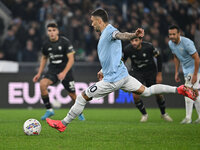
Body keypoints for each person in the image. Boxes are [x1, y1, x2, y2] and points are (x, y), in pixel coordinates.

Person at [46, 9, 197, 132]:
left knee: (82, 97)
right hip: (123, 76)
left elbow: (121, 35)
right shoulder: (105, 34)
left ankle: (62, 124)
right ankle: (180, 89)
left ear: (99, 21)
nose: (92, 24)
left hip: (112, 80)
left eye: (93, 21)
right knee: (147, 91)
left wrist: (133, 35)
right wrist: (103, 69)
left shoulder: (110, 31)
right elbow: (113, 54)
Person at [32, 23, 85, 121]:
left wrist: (64, 72)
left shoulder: (65, 42)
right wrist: (39, 73)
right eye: (49, 31)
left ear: (57, 31)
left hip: (66, 70)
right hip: (52, 70)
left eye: (53, 30)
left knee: (72, 95)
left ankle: (79, 112)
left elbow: (71, 59)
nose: (51, 33)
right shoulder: (46, 44)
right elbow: (44, 58)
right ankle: (49, 110)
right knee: (42, 84)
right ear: (47, 32)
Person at [123, 37, 173, 122]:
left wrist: (159, 74)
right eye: (132, 41)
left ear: (141, 40)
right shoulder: (128, 49)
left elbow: (159, 58)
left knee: (158, 94)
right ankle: (144, 115)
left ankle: (163, 114)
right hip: (137, 73)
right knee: (135, 96)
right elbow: (122, 61)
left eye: (136, 40)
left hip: (151, 72)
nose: (134, 43)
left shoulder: (149, 47)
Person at [168, 24, 200, 124]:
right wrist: (177, 71)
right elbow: (176, 57)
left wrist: (195, 74)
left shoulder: (187, 43)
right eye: (170, 34)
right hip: (186, 71)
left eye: (174, 34)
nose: (172, 36)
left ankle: (188, 118)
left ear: (179, 34)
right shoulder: (171, 43)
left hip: (194, 69)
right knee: (195, 94)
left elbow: (197, 58)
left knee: (187, 92)